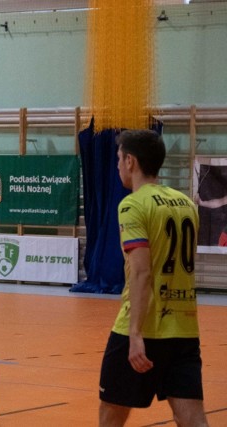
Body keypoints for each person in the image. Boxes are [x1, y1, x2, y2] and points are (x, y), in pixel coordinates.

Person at [98, 129, 209, 427]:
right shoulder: (186, 204)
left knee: (110, 415)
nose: (118, 165)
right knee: (193, 419)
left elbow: (142, 271)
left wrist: (135, 334)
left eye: (120, 159)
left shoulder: (133, 205)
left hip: (144, 329)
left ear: (131, 161)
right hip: (184, 330)